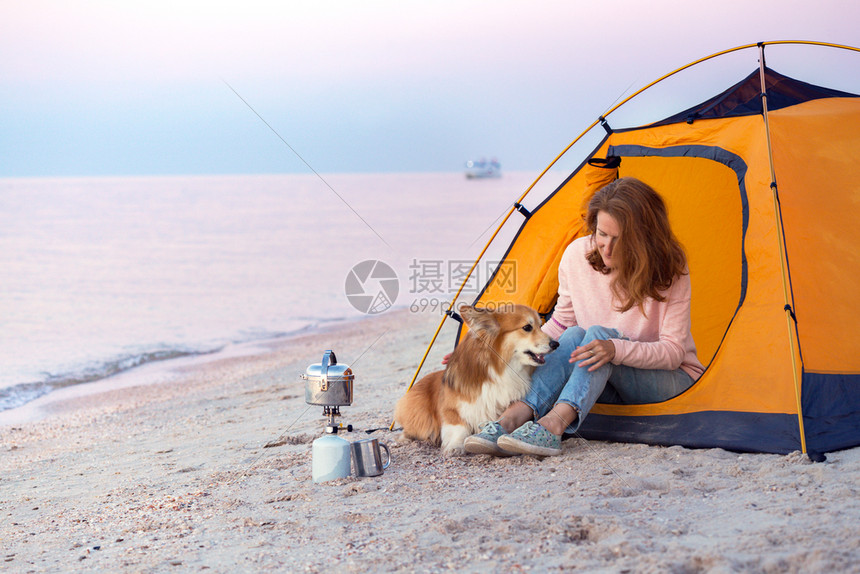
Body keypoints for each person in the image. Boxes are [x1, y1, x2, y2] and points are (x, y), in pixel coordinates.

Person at [463, 177, 705, 457]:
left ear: (644, 238)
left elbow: (674, 352)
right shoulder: (577, 256)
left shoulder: (670, 268)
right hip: (600, 377)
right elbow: (560, 325)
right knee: (575, 335)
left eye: (620, 239)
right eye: (602, 234)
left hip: (670, 381)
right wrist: (492, 350)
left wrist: (615, 348)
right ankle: (510, 419)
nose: (607, 248)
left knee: (598, 338)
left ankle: (552, 426)